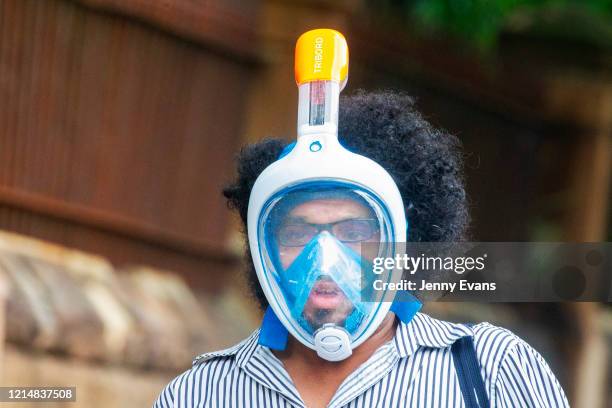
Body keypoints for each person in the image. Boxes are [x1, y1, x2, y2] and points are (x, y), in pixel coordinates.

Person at [154, 30, 568, 408]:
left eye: (354, 232)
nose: (325, 260)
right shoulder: (198, 393)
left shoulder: (491, 372)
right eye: (298, 232)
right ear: (264, 249)